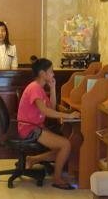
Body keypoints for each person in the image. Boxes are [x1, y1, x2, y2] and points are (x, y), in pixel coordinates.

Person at [17, 57, 80, 189]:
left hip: (35, 126)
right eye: (51, 71)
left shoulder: (39, 88)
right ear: (42, 73)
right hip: (30, 129)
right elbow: (45, 111)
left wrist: (52, 88)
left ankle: (32, 159)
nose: (53, 74)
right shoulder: (34, 88)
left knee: (65, 146)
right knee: (65, 145)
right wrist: (68, 115)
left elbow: (51, 107)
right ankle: (57, 179)